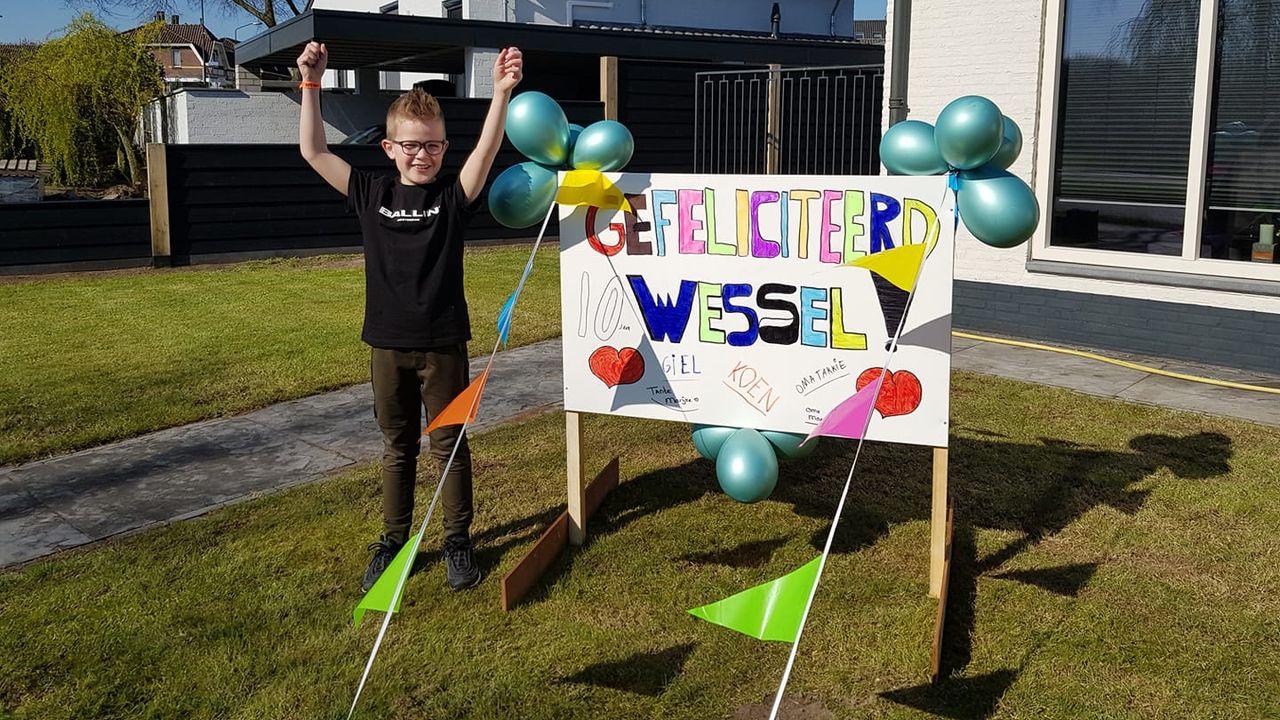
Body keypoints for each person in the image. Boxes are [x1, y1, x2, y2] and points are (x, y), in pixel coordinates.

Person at [295, 40, 523, 592]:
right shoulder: (370, 190)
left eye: (435, 146)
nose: (425, 155)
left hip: (444, 343)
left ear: (445, 147)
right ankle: (394, 541)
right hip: (388, 345)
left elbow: (486, 155)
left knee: (449, 446)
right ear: (390, 147)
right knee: (397, 448)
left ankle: (458, 541)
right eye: (413, 147)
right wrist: (310, 85)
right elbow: (314, 152)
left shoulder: (453, 195)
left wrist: (500, 93)